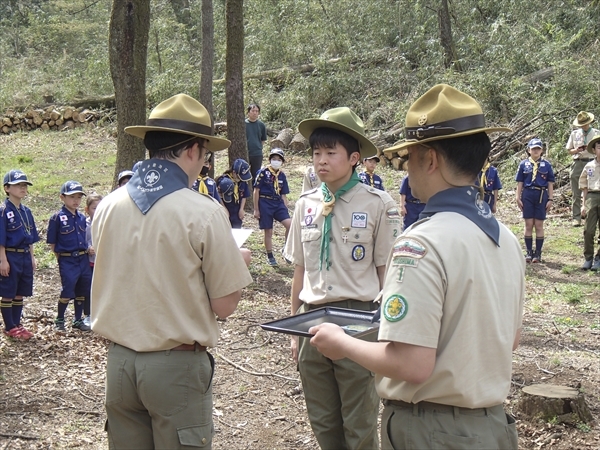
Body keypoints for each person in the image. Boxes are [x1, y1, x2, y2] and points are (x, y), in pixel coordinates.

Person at [308, 84, 523, 450]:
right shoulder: (504, 238)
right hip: (491, 428)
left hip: (432, 431)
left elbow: (411, 364)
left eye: (408, 158)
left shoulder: (421, 243)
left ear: (431, 160)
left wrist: (343, 343)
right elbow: (510, 339)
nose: (407, 169)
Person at [91, 93, 253, 449]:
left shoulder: (107, 205)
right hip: (175, 367)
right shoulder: (203, 212)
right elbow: (224, 306)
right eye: (206, 153)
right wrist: (236, 262)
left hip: (119, 363)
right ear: (193, 150)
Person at [283, 106, 400, 450]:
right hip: (311, 318)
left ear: (353, 158)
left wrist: (388, 330)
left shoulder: (378, 203)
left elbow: (386, 272)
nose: (321, 161)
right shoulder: (305, 204)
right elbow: (300, 271)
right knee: (322, 418)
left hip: (358, 318)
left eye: (331, 153)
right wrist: (294, 330)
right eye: (317, 153)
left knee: (360, 419)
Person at [47, 181, 92, 332]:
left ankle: (77, 319)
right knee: (68, 288)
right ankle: (60, 318)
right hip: (67, 258)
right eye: (72, 197)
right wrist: (59, 257)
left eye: (79, 197)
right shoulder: (57, 217)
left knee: (82, 289)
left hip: (83, 258)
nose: (76, 200)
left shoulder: (81, 217)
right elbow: (52, 242)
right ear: (62, 198)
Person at [0, 170, 39, 339]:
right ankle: (9, 326)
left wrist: (32, 257)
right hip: (10, 255)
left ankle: (17, 324)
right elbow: (1, 238)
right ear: (7, 188)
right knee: (8, 291)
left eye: (24, 185)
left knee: (20, 291)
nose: (22, 188)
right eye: (17, 185)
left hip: (24, 255)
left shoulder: (26, 211)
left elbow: (30, 237)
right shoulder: (3, 210)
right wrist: (3, 260)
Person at [516, 138, 555, 263]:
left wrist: (550, 198)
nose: (536, 151)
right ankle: (528, 252)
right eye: (533, 149)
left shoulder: (546, 165)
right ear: (528, 150)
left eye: (538, 148)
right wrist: (518, 197)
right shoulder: (523, 164)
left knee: (538, 224)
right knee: (528, 224)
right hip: (527, 194)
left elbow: (550, 183)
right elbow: (520, 182)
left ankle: (538, 253)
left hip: (541, 194)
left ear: (542, 150)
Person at [253, 148, 291, 266]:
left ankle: (286, 248)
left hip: (278, 202)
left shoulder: (282, 175)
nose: (276, 161)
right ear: (270, 159)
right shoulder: (263, 172)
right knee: (268, 231)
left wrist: (285, 208)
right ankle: (270, 256)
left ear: (282, 162)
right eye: (274, 159)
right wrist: (256, 209)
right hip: (265, 202)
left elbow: (283, 194)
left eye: (279, 159)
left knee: (290, 225)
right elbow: (256, 191)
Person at [565, 111, 600, 226]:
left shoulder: (596, 133)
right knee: (576, 191)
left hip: (592, 163)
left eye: (586, 124)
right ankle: (576, 217)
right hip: (578, 162)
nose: (584, 126)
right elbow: (569, 150)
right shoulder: (574, 134)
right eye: (582, 124)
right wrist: (577, 150)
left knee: (592, 190)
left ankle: (590, 216)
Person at [579, 135, 600, 270]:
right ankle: (588, 257)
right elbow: (584, 187)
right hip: (592, 196)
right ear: (594, 149)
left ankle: (599, 258)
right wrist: (583, 205)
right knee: (588, 230)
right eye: (599, 147)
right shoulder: (589, 166)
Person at [83, 192, 103, 327]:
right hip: (88, 261)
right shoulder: (84, 224)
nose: (97, 211)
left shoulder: (105, 222)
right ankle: (88, 314)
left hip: (102, 261)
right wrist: (87, 248)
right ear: (87, 209)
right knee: (88, 287)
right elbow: (81, 240)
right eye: (94, 208)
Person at [217, 158, 252, 228]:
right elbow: (218, 196)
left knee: (236, 230)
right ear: (234, 172)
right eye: (239, 176)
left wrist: (241, 209)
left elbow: (244, 195)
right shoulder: (224, 181)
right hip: (226, 207)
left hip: (237, 208)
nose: (240, 179)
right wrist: (224, 208)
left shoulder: (242, 181)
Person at [245, 103, 267, 184]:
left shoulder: (261, 125)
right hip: (246, 153)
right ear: (248, 112)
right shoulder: (244, 124)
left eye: (257, 111)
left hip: (257, 154)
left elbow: (263, 139)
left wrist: (259, 147)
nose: (255, 113)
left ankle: (255, 192)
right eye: (253, 111)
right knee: (244, 174)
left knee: (256, 174)